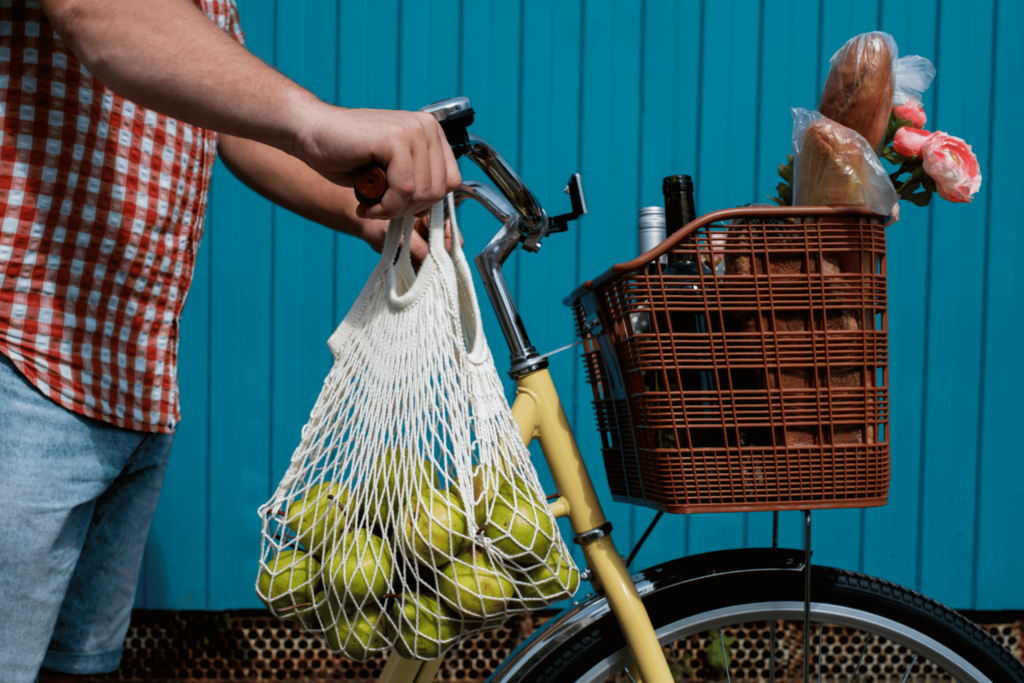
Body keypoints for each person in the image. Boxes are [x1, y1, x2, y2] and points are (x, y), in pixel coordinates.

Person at [0, 1, 462, 681]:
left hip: (133, 382)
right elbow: (96, 12)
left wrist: (363, 213)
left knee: (78, 668)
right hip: (26, 361)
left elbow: (224, 120)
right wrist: (315, 120)